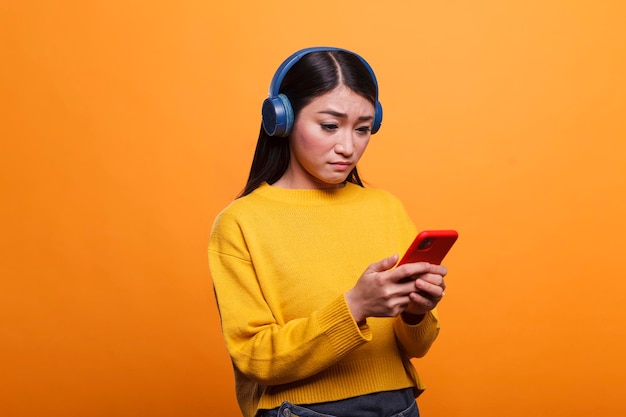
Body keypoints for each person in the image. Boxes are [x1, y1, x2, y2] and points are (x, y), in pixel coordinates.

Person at [208, 47, 449, 417]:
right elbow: (254, 357)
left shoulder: (386, 208)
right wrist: (356, 306)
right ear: (282, 120)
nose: (348, 147)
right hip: (302, 410)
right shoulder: (241, 223)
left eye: (363, 128)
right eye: (329, 126)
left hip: (399, 405)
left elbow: (416, 347)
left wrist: (416, 314)